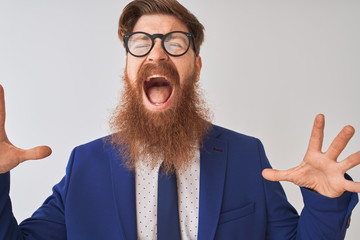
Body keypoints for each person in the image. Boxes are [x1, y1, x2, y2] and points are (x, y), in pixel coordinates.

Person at [0, 0, 359, 239]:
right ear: (127, 70)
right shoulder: (85, 164)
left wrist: (324, 199)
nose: (157, 53)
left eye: (175, 43)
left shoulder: (247, 156)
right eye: (140, 43)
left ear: (196, 68)